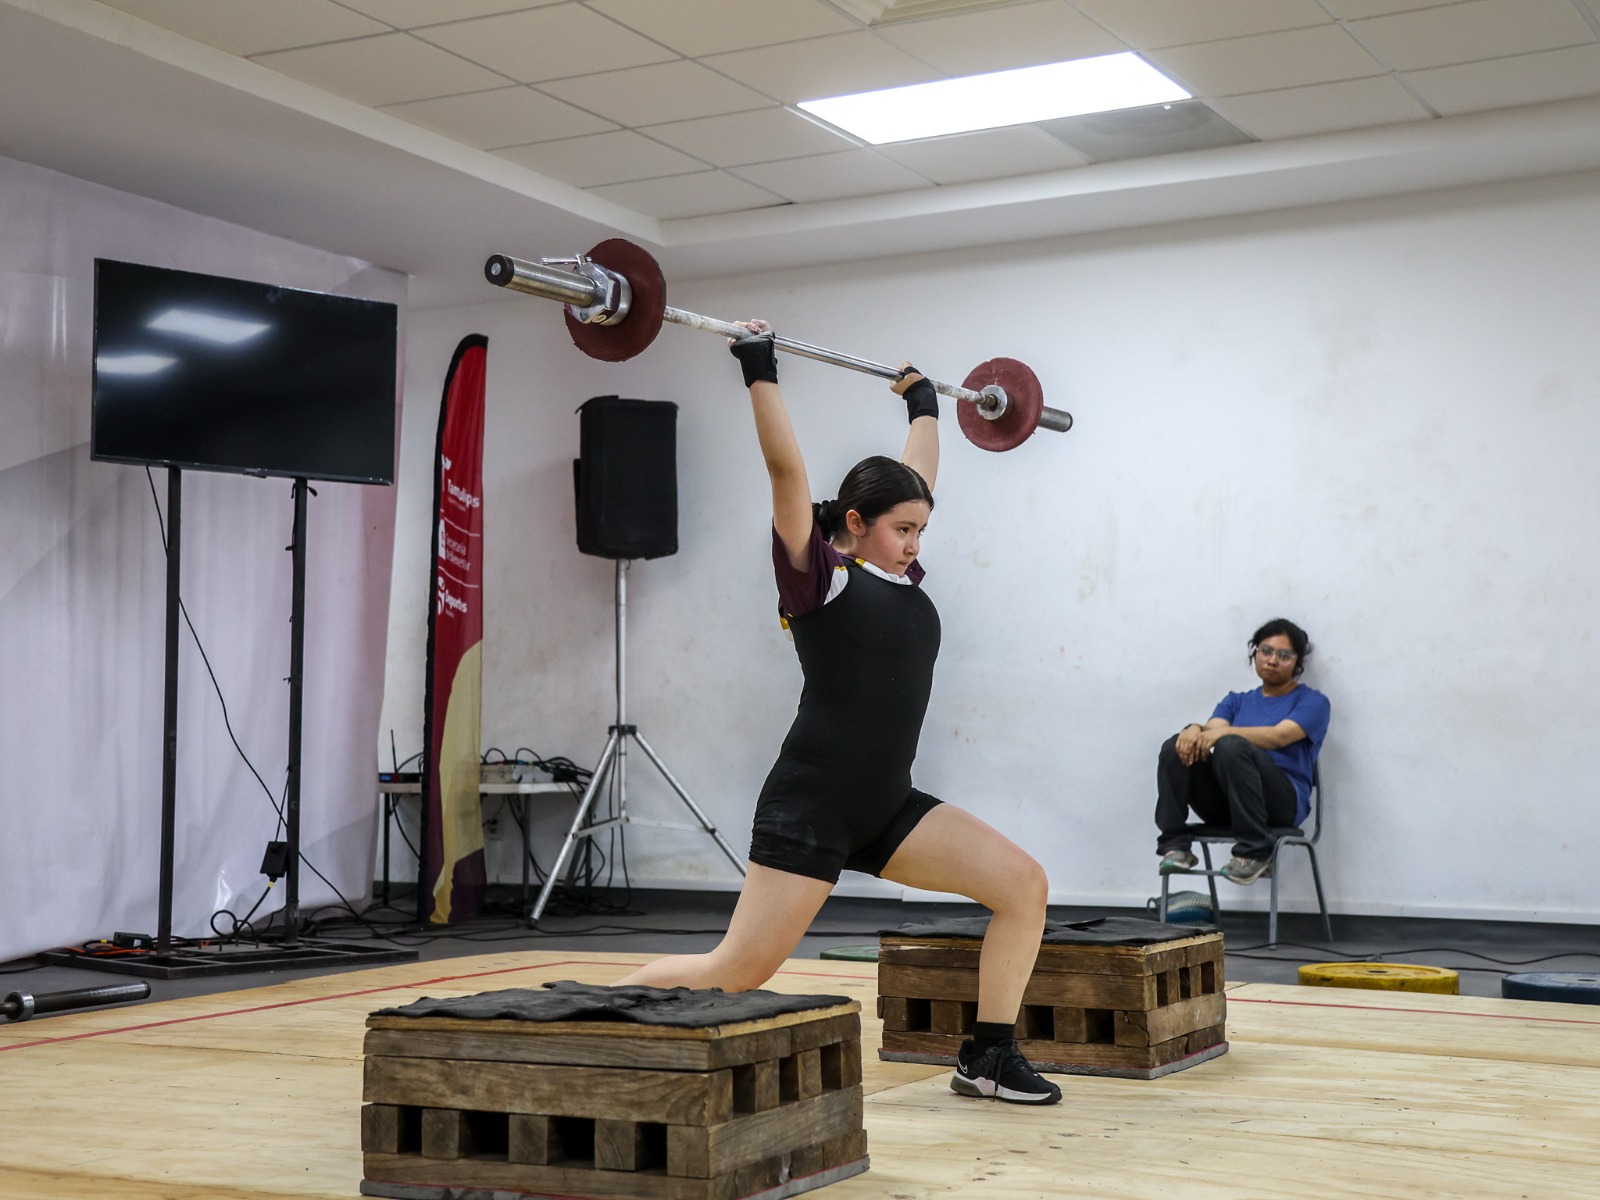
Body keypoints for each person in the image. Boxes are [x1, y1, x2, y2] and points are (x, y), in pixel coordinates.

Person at [616, 320, 1060, 1105]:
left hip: (887, 806)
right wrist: (760, 371)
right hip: (813, 805)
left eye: (920, 529)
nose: (914, 543)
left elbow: (914, 477)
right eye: (902, 529)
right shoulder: (818, 580)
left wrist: (924, 407)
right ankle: (587, 1015)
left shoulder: (899, 574)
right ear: (856, 525)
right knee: (738, 970)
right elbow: (786, 473)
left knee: (1023, 885)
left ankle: (987, 1057)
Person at [1155, 619, 1331, 885]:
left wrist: (1219, 734)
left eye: (1284, 655)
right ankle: (1175, 846)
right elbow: (1211, 731)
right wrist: (1192, 729)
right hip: (1231, 804)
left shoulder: (1312, 702)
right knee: (1175, 747)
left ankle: (1255, 853)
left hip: (1281, 804)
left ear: (1297, 663)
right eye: (1266, 651)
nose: (1273, 660)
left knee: (1231, 745)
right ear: (1255, 653)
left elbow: (1279, 736)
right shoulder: (1236, 701)